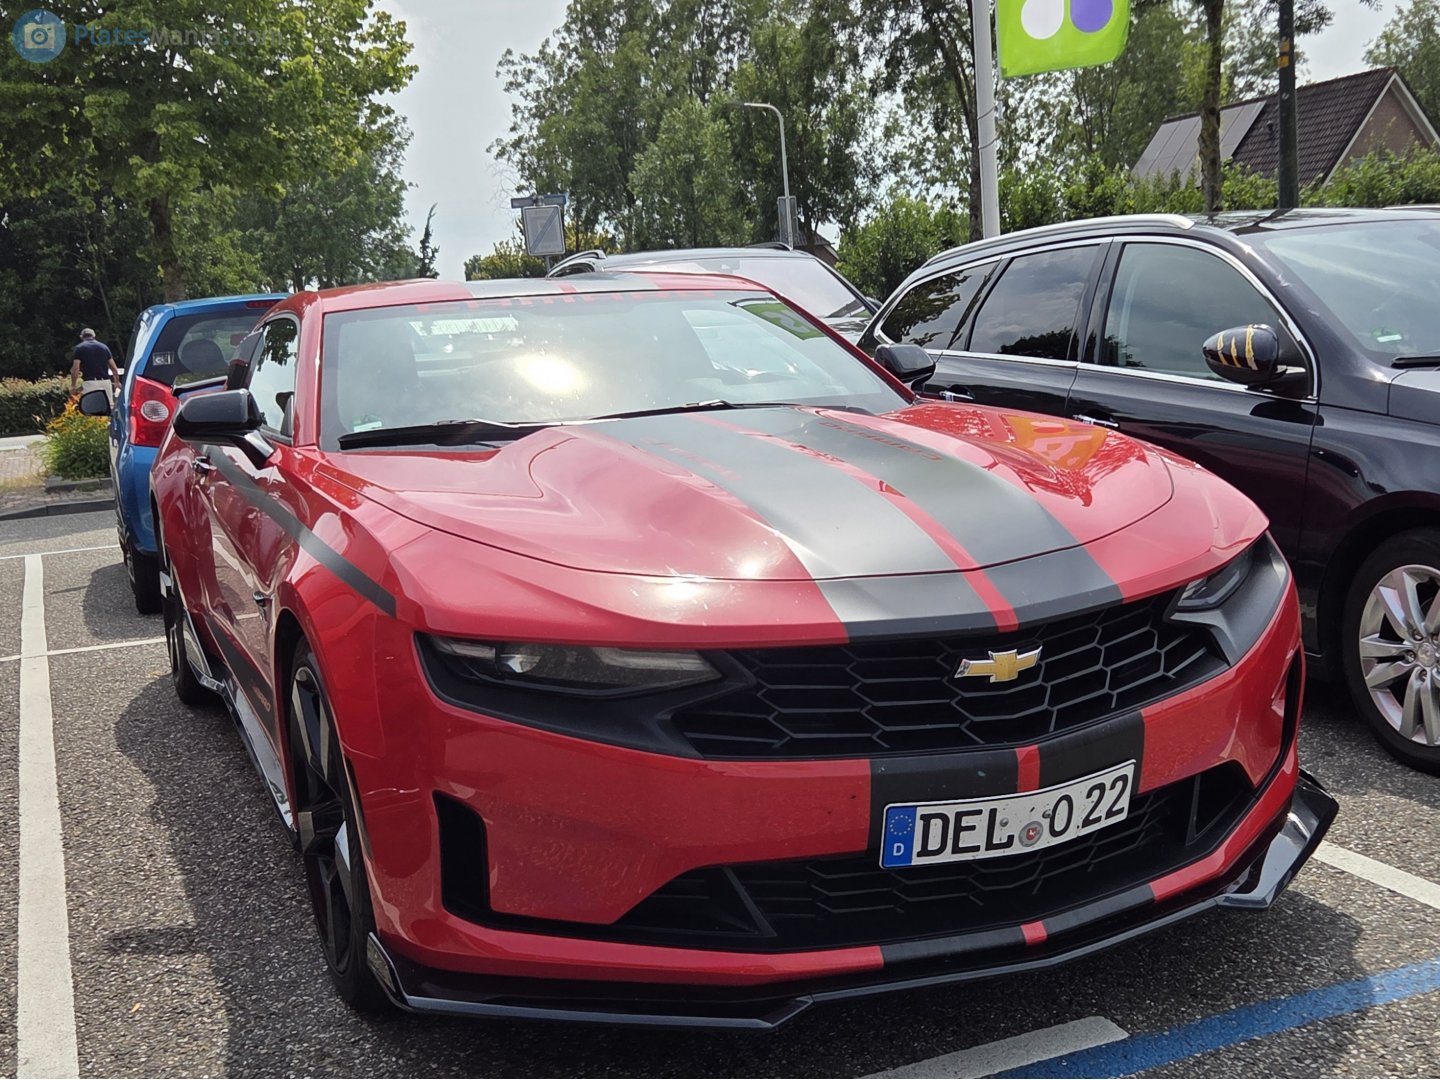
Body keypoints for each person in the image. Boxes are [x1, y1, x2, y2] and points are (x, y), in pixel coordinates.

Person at [69, 327, 120, 406]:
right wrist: (116, 382)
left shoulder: (80, 348)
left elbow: (75, 369)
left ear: (81, 337)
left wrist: (73, 386)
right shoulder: (104, 347)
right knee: (108, 408)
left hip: (90, 382)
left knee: (91, 408)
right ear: (94, 336)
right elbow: (113, 368)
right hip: (106, 382)